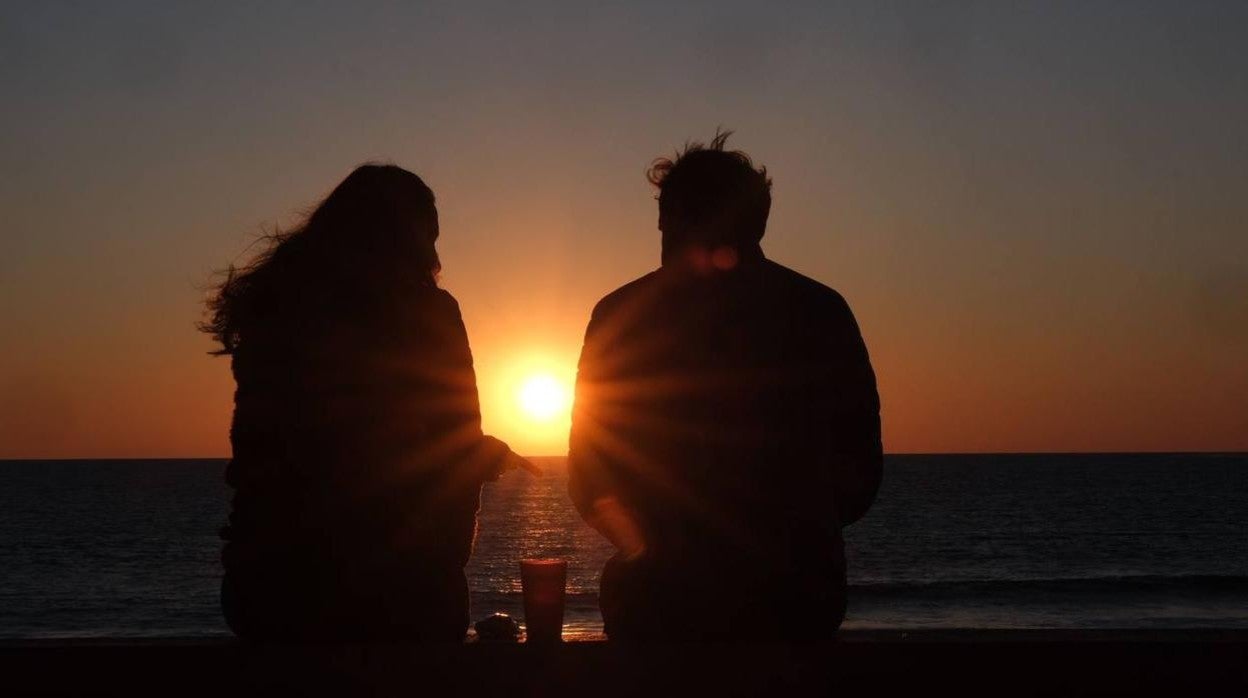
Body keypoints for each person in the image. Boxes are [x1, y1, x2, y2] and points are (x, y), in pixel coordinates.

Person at [568, 132, 882, 641]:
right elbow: (860, 472)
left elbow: (588, 478)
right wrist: (791, 537)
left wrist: (652, 551)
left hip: (661, 605)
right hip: (793, 600)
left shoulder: (620, 316)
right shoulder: (821, 311)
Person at [203, 164, 531, 641]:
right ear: (410, 239)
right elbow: (448, 449)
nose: (435, 255)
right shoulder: (429, 313)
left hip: (268, 590)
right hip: (393, 593)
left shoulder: (277, 310)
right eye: (431, 237)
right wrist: (477, 458)